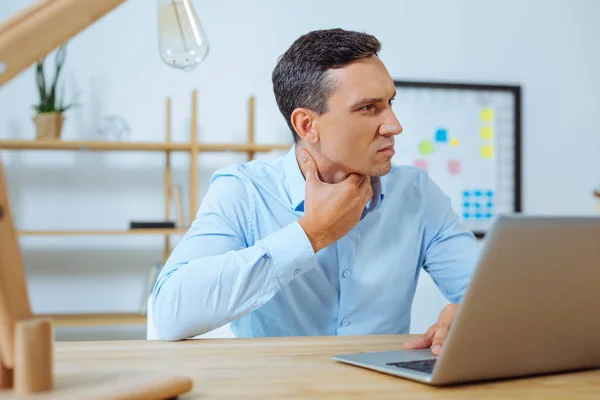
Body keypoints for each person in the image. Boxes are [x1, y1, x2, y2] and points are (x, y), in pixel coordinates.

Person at [151, 28, 479, 355]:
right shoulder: (244, 192)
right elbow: (170, 314)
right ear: (307, 125)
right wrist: (311, 234)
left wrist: (467, 313)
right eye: (368, 108)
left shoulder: (417, 194)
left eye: (390, 103)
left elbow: (493, 298)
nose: (394, 125)